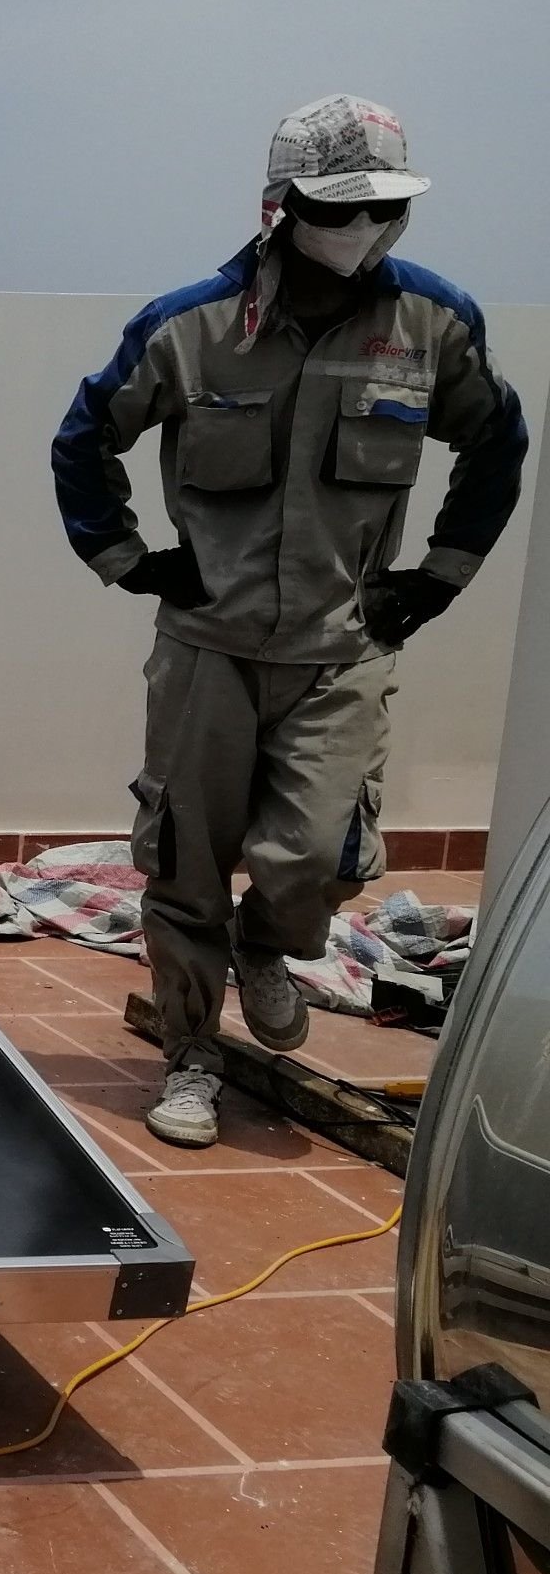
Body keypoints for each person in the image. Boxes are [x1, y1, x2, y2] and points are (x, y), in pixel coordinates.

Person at [50, 94, 529, 1148]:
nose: (361, 228)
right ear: (283, 205)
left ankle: (266, 945)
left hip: (342, 648)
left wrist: (439, 576)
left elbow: (497, 441)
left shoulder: (434, 324)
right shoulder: (190, 327)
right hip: (207, 651)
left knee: (320, 853)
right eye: (337, 207)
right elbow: (84, 438)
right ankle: (190, 1055)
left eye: (383, 208)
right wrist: (127, 560)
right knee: (186, 861)